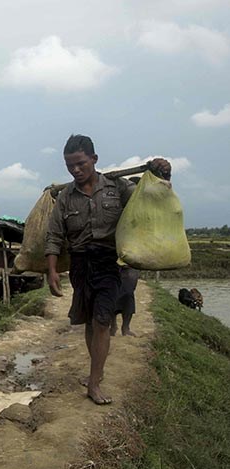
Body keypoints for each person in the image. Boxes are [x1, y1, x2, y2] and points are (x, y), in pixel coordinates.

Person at [45, 134, 171, 405]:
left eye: (81, 164)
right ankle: (96, 373)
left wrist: (162, 173)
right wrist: (52, 271)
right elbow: (54, 236)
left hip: (108, 261)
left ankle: (94, 382)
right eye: (70, 166)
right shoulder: (66, 197)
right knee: (91, 321)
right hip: (80, 264)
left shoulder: (117, 187)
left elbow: (148, 201)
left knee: (102, 320)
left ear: (94, 159)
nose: (76, 170)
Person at [111, 264, 139, 336]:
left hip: (130, 264)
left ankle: (125, 328)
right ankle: (113, 326)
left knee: (128, 294)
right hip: (112, 262)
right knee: (112, 293)